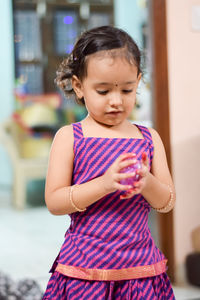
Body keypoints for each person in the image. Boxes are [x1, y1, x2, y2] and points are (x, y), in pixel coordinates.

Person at [42, 25, 176, 299]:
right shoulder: (70, 137)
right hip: (84, 269)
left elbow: (167, 202)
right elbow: (55, 202)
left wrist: (147, 181)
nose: (116, 101)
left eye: (126, 90)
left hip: (140, 270)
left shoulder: (149, 138)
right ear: (79, 86)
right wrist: (104, 184)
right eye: (103, 92)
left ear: (137, 82)